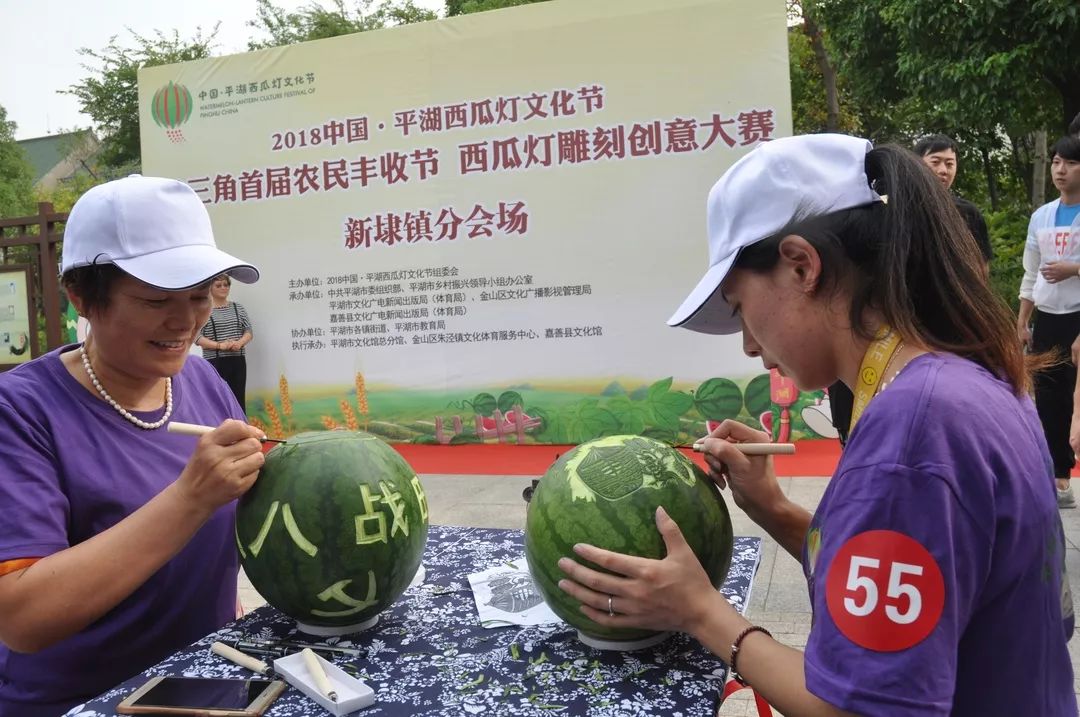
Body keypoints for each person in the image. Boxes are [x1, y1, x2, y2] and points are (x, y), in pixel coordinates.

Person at [557, 135, 1075, 715]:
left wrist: (700, 611)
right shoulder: (974, 374)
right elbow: (930, 583)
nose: (749, 344)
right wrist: (773, 509)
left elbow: (850, 709)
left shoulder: (913, 434)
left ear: (802, 265)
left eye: (737, 308)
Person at [0, 175, 267, 717]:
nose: (186, 321)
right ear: (81, 296)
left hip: (201, 682)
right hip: (84, 702)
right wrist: (190, 499)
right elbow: (22, 617)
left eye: (199, 296)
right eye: (155, 301)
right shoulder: (20, 412)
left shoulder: (204, 383)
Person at [828, 133, 994, 444]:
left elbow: (980, 271)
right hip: (882, 327)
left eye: (950, 163)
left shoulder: (966, 215)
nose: (944, 170)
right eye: (936, 162)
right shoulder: (878, 214)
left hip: (939, 327)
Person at [1019, 135, 1080, 509]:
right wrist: (1022, 320)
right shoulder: (1041, 215)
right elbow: (1030, 272)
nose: (1060, 170)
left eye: (1070, 163)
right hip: (1049, 317)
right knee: (1048, 398)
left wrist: (1073, 268)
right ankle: (1058, 476)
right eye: (1056, 162)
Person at [196, 274, 254, 409]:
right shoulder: (204, 311)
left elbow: (248, 331)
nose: (223, 288)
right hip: (215, 362)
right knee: (218, 400)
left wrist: (239, 343)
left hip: (237, 360)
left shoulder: (238, 308)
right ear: (210, 288)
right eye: (218, 285)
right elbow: (197, 337)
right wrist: (219, 346)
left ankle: (240, 428)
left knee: (238, 398)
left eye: (226, 285)